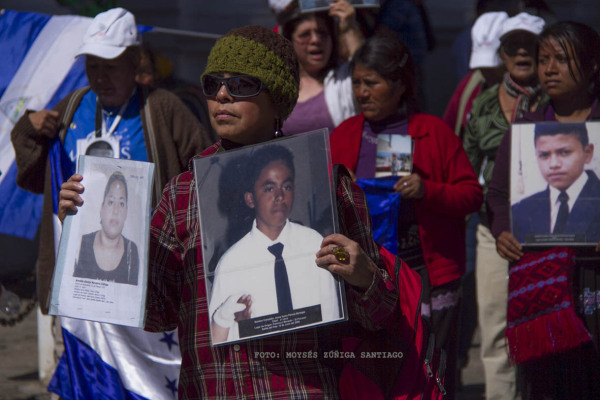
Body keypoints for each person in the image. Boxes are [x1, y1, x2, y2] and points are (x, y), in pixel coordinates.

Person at [59, 25, 419, 399]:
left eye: (242, 85)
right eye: (213, 84)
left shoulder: (329, 186)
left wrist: (364, 277)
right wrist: (82, 228)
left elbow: (380, 316)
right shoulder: (182, 193)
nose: (223, 95)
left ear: (277, 100)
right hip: (212, 389)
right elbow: (156, 314)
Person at [12, 8, 211, 399]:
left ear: (135, 62)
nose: (100, 77)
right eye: (92, 66)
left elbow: (206, 175)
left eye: (111, 66)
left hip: (148, 284)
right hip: (81, 290)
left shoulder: (164, 109)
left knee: (150, 387)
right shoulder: (70, 109)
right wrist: (28, 134)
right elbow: (38, 181)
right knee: (85, 385)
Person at [329, 32, 483, 400]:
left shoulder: (432, 132)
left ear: (399, 85)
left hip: (427, 271)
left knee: (432, 368)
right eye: (357, 84)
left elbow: (472, 195)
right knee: (377, 369)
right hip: (366, 276)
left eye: (372, 83)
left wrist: (427, 189)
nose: (362, 93)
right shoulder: (344, 136)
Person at [487, 21, 600, 399]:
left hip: (593, 278)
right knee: (546, 384)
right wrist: (503, 230)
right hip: (540, 286)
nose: (549, 69)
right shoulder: (525, 130)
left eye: (562, 59)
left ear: (593, 64)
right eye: (543, 59)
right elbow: (499, 193)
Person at [461, 11, 545, 400]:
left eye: (530, 45)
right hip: (491, 230)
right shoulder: (482, 104)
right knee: (495, 333)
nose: (522, 52)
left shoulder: (558, 103)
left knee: (548, 329)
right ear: (503, 53)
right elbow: (468, 164)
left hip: (552, 230)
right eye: (513, 45)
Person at [208, 144, 341, 344]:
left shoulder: (314, 244)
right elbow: (218, 340)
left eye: (286, 187)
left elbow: (332, 316)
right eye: (269, 188)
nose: (279, 196)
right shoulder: (230, 264)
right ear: (250, 199)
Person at [270, 0, 362, 135]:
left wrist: (349, 28)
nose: (315, 40)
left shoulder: (343, 79)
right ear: (289, 41)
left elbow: (366, 70)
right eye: (305, 35)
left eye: (322, 33)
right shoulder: (276, 85)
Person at [511, 122, 600, 243]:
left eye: (564, 152)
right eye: (544, 155)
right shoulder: (519, 212)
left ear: (587, 153)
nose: (553, 164)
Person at [443, 11, 508, 139]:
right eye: (482, 67)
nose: (487, 73)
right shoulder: (470, 85)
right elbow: (449, 128)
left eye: (493, 67)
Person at [73, 171, 139, 285]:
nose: (116, 211)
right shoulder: (82, 243)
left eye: (121, 204)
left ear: (126, 212)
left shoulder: (132, 251)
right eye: (111, 202)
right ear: (102, 208)